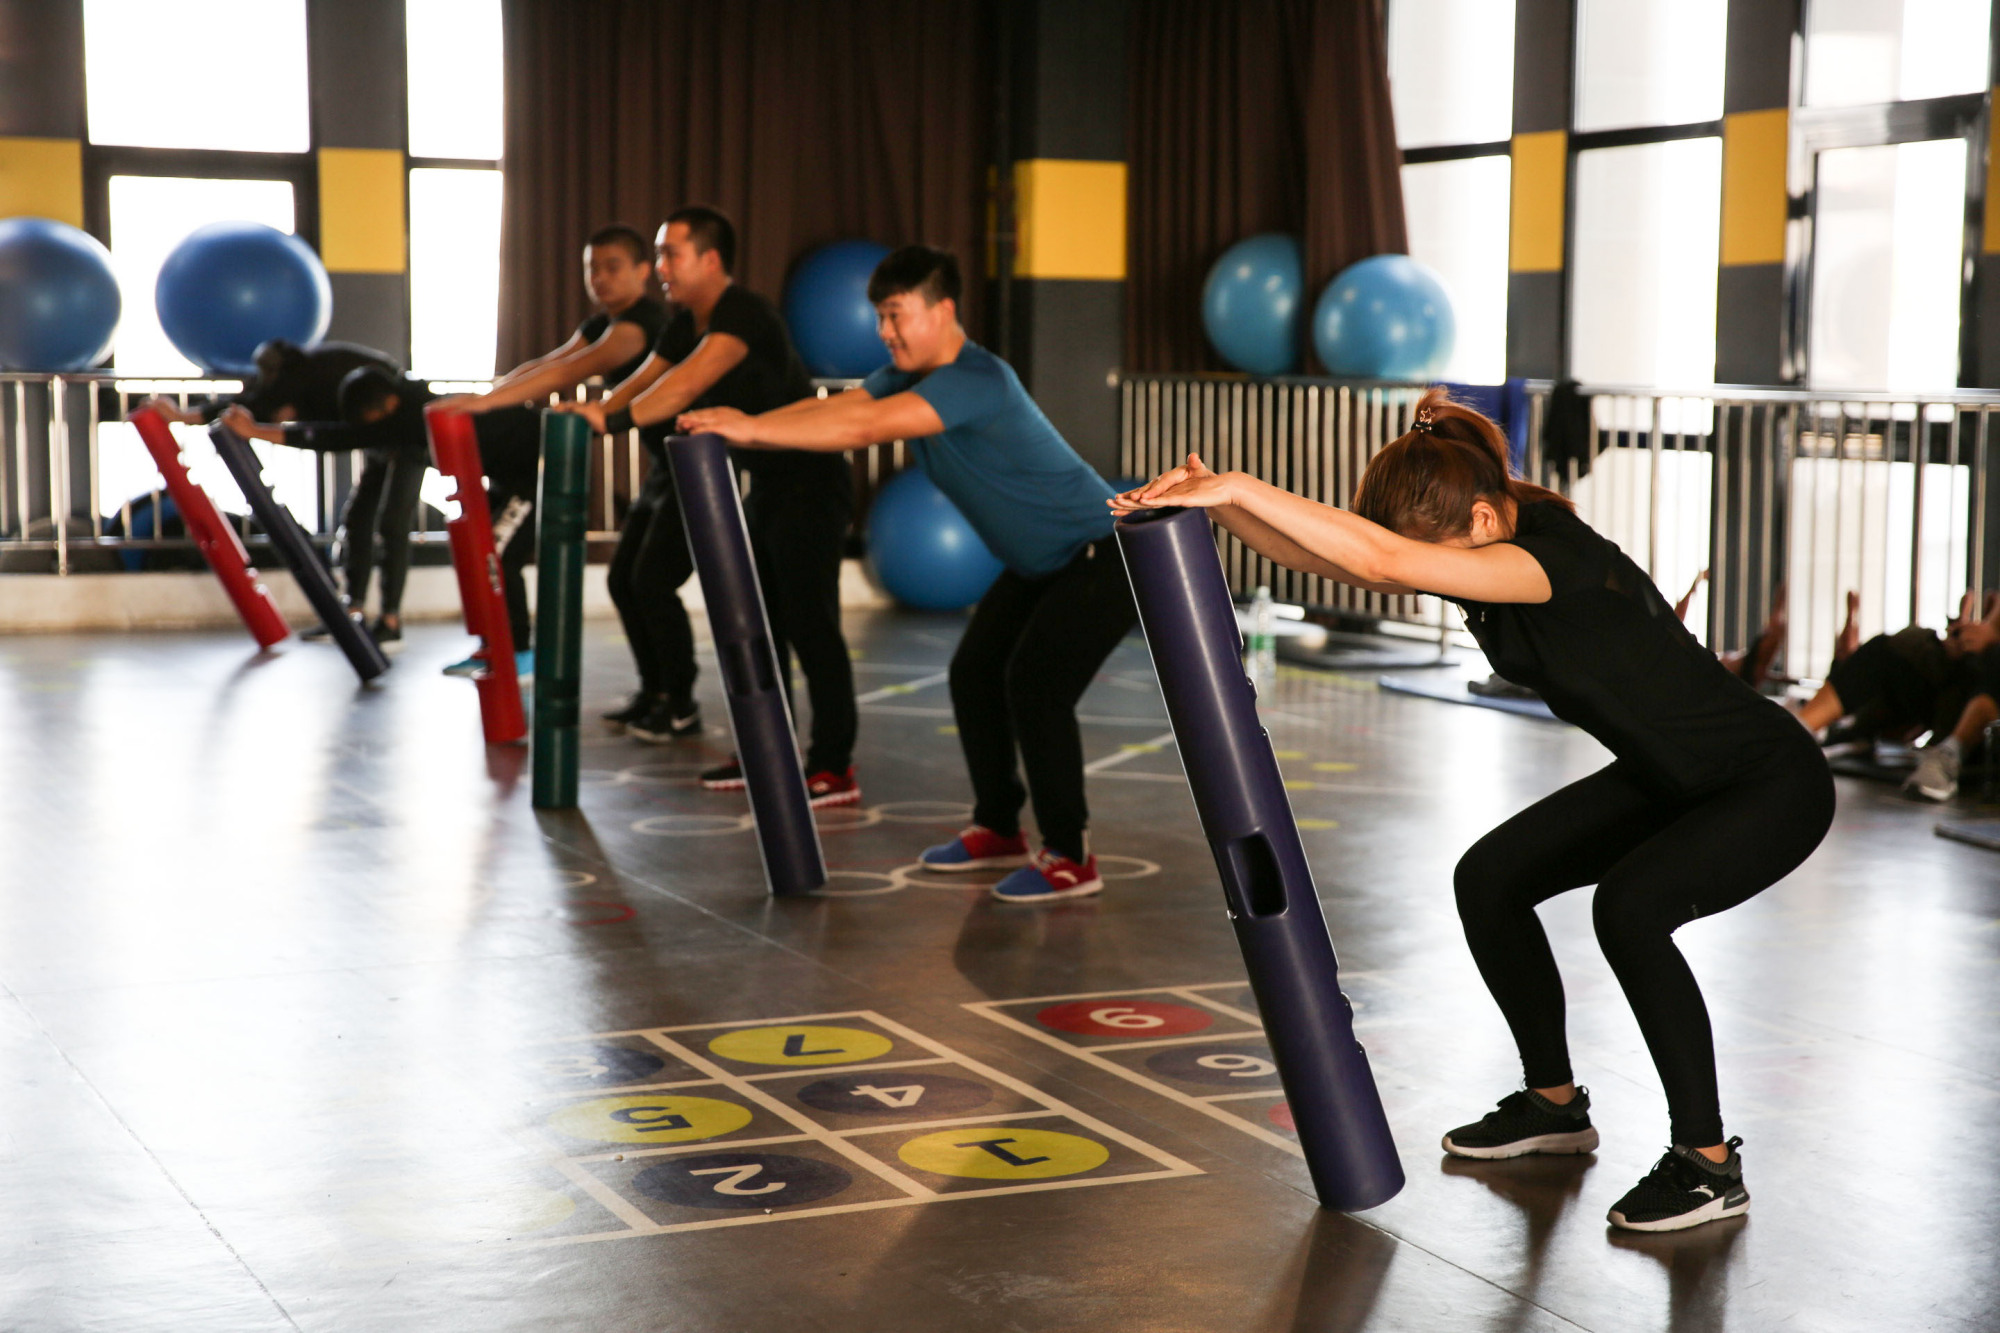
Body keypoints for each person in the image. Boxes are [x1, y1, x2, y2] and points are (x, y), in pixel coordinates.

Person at [1112, 386, 1834, 1233]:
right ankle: (1554, 1104)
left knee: (1631, 911)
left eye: (1430, 554)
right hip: (1672, 773)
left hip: (1767, 780)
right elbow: (1348, 560)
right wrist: (1221, 509)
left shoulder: (1549, 559)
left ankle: (1707, 1162)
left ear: (1484, 521)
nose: (1420, 571)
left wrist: (1237, 485)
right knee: (1491, 878)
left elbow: (1380, 560)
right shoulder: (1491, 535)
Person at [678, 244, 1132, 900]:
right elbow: (836, 408)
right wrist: (743, 426)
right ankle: (998, 826)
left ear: (943, 310)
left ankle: (1070, 852)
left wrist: (749, 430)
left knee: (1035, 688)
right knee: (974, 675)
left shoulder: (978, 379)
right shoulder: (904, 375)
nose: (884, 332)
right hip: (1041, 563)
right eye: (880, 318)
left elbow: (863, 428)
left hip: (1099, 555)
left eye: (896, 316)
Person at [559, 207, 855, 790]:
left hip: (814, 485)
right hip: (768, 487)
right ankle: (768, 751)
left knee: (810, 628)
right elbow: (647, 380)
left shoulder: (743, 313)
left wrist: (610, 422)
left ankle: (833, 764)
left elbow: (688, 384)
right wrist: (597, 408)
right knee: (762, 629)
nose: (661, 266)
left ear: (711, 259)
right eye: (661, 254)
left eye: (672, 254)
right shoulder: (682, 323)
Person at [437, 223, 670, 678]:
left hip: (696, 455)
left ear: (644, 271)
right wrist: (490, 396)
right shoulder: (602, 323)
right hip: (666, 460)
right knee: (628, 581)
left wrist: (485, 402)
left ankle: (670, 697)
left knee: (644, 582)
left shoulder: (640, 327)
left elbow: (572, 371)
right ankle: (657, 694)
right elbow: (549, 363)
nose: (599, 278)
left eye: (612, 267)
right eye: (592, 269)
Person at [227, 368, 542, 671]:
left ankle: (519, 652)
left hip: (536, 471)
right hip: (507, 477)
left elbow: (334, 438)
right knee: (479, 554)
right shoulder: (412, 405)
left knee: (497, 557)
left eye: (371, 424)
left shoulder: (411, 418)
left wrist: (256, 432)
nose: (372, 435)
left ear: (386, 405)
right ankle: (494, 649)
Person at [144, 339, 406, 643]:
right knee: (360, 520)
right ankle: (351, 613)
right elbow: (263, 407)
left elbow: (260, 409)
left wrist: (183, 416)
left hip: (402, 436)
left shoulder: (306, 374)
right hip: (378, 437)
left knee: (393, 524)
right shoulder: (311, 373)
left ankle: (389, 619)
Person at [1794, 589, 2000, 801]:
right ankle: (1790, 733)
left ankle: (1950, 755)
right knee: (1888, 647)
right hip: (1963, 687)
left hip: (1987, 717)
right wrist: (1966, 638)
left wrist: (1991, 638)